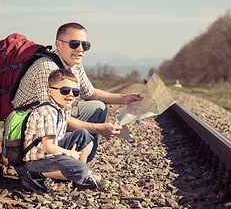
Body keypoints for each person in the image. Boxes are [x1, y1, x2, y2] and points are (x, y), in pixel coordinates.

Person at [11, 22, 142, 163]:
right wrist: (98, 128)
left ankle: (81, 161)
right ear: (58, 44)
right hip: (33, 122)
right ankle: (64, 161)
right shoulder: (48, 68)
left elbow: (90, 93)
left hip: (54, 114)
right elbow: (50, 113)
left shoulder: (75, 65)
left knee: (98, 107)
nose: (80, 49)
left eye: (85, 45)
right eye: (74, 44)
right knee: (92, 119)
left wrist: (125, 98)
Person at [22, 68, 109, 193]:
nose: (71, 95)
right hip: (37, 161)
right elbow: (48, 148)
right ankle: (36, 176)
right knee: (81, 169)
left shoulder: (60, 109)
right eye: (65, 91)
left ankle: (79, 179)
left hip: (49, 154)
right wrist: (70, 154)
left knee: (83, 133)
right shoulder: (48, 112)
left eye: (75, 91)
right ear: (50, 91)